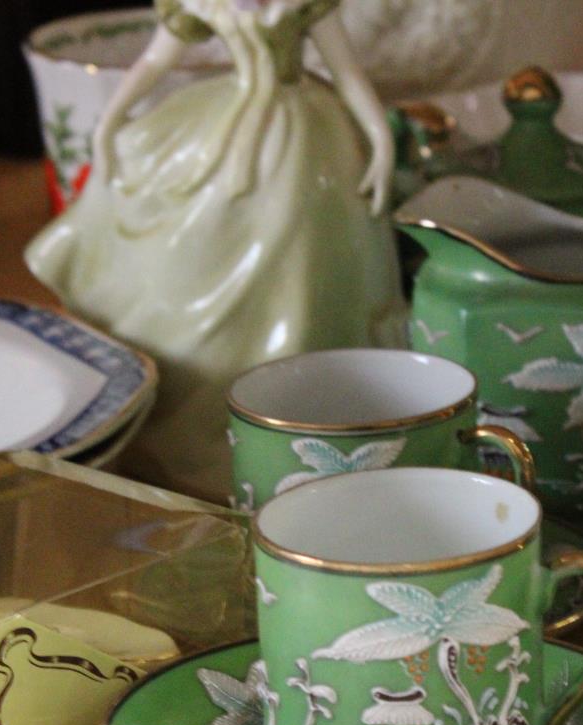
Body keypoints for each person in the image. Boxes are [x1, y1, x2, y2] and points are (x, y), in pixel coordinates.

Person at [26, 0, 403, 504]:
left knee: (303, 269)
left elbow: (347, 72)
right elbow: (155, 62)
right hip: (224, 130)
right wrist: (109, 121)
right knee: (184, 239)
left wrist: (380, 140)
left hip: (303, 136)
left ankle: (303, 420)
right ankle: (186, 424)